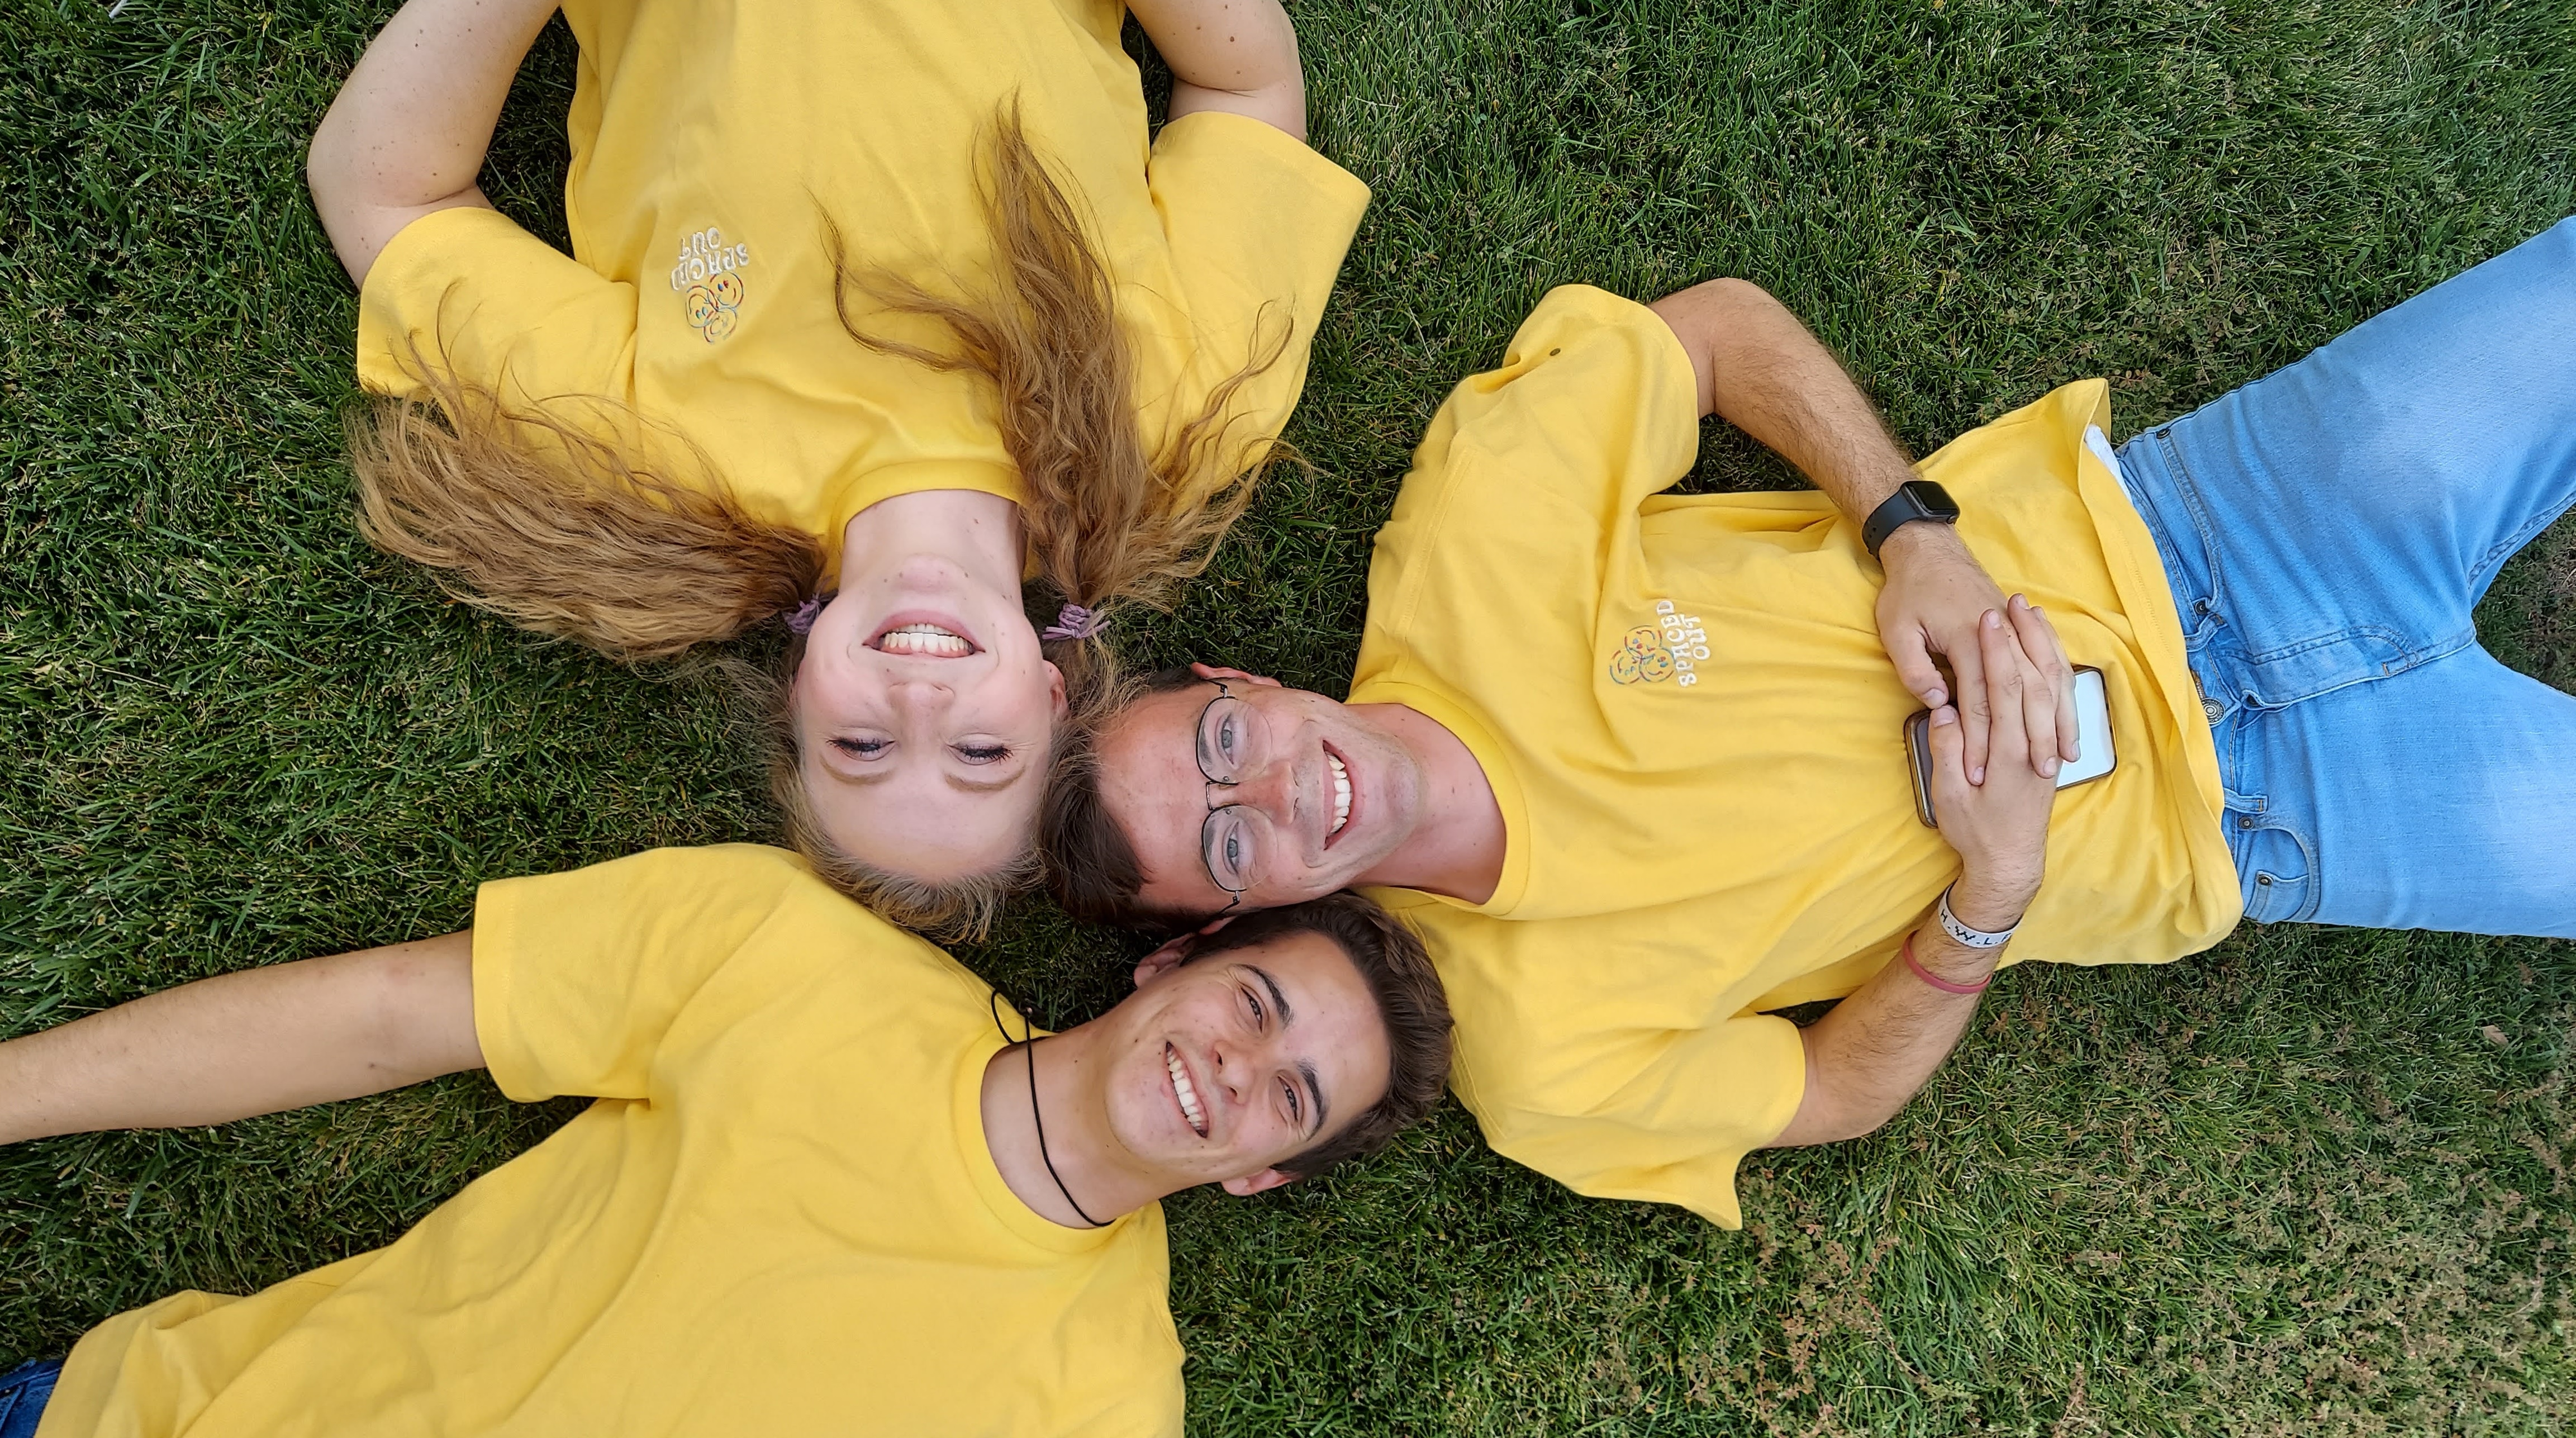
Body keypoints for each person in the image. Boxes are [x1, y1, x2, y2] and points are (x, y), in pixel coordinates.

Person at [1040, 215, 2576, 1226]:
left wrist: (1912, 530)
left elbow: (1710, 331)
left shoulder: (1467, 535)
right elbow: (1835, 1092)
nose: (1285, 797)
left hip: (2208, 525)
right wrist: (1988, 896)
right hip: (2272, 807)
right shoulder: (1539, 1065)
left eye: (1224, 751)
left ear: (1244, 687)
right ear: (1247, 914)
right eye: (1231, 849)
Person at [303, 0, 1371, 936]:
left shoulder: (661, 473)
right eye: (979, 755)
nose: (919, 700)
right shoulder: (1182, 426)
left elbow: (386, 193)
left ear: (800, 695)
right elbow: (1243, 82)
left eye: (862, 744)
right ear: (1053, 701)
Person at [0, 846, 1450, 1435]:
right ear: (1173, 959)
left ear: (1259, 1170)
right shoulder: (793, 954)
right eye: (1256, 1002)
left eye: (1292, 1097)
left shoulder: (1107, 1402)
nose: (1239, 1068)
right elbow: (382, 1012)